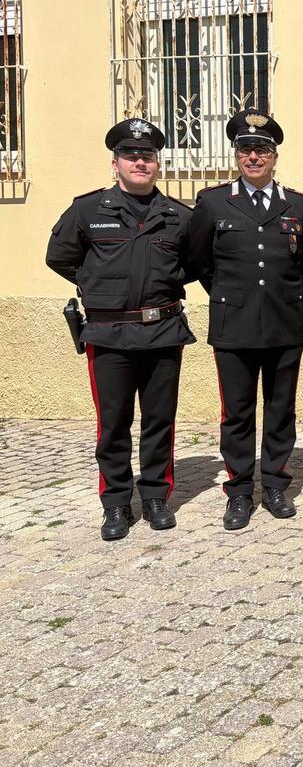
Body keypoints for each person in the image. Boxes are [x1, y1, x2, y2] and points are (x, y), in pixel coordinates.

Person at [46, 118, 194, 540]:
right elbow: (59, 257)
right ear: (116, 164)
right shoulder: (88, 210)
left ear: (158, 164)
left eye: (147, 156)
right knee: (113, 424)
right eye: (131, 155)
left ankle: (154, 498)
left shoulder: (178, 217)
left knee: (159, 420)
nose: (140, 162)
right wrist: (96, 286)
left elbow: (194, 264)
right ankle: (115, 504)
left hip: (163, 332)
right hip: (108, 335)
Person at [189, 110, 303, 530]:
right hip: (234, 325)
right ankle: (238, 491)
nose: (253, 157)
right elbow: (199, 261)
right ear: (237, 155)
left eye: (262, 150)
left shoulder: (300, 205)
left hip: (285, 323)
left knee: (281, 408)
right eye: (246, 149)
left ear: (274, 156)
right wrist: (231, 297)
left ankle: (275, 483)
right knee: (237, 412)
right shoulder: (213, 202)